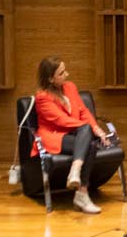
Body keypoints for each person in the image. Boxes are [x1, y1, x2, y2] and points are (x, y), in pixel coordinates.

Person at [34, 57, 111, 214]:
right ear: (50, 78)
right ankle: (81, 191)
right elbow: (62, 120)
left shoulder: (70, 87)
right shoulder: (42, 97)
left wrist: (97, 129)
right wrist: (87, 128)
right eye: (62, 73)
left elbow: (83, 111)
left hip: (75, 135)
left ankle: (79, 185)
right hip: (54, 137)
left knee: (89, 139)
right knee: (88, 139)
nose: (67, 74)